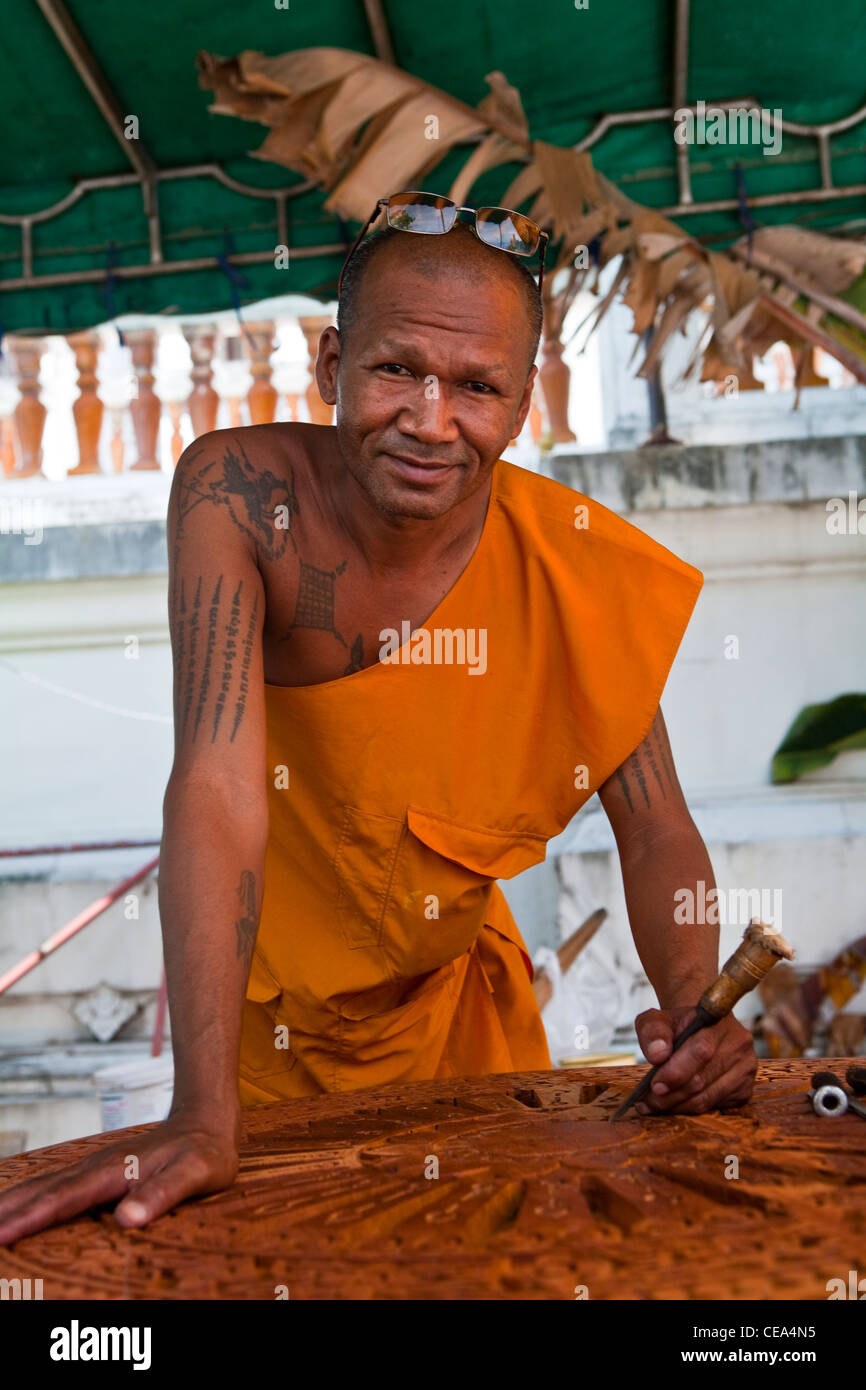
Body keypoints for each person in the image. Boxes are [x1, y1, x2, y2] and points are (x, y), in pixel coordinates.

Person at [0, 195, 756, 1245]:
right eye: (396, 368)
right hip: (256, 1050)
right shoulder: (238, 496)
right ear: (329, 365)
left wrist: (692, 1012)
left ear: (524, 398)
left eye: (476, 386)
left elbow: (656, 821)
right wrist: (201, 1111)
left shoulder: (568, 565)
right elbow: (217, 783)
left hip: (466, 1042)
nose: (430, 419)